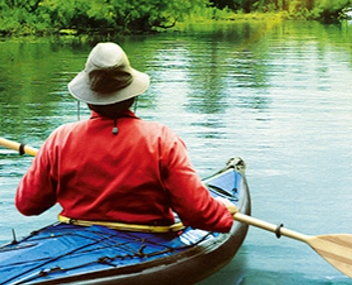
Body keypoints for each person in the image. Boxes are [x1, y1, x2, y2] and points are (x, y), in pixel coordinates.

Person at [15, 42, 236, 233]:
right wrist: (223, 213)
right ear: (132, 95)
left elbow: (28, 205)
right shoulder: (161, 140)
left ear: (88, 98)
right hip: (149, 236)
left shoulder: (60, 139)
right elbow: (198, 214)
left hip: (75, 234)